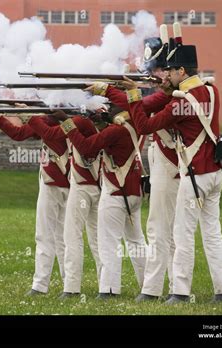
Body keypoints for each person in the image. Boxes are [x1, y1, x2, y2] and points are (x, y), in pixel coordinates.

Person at [123, 24, 222, 304]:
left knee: (182, 236)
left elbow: (144, 124)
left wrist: (135, 94)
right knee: (212, 235)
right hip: (215, 174)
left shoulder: (178, 102)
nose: (167, 75)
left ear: (181, 72)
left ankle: (180, 292)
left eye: (171, 71)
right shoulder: (212, 91)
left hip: (194, 176)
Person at [88, 24, 179, 302]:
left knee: (167, 235)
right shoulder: (165, 93)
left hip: (173, 169)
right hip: (163, 170)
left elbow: (138, 104)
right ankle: (161, 287)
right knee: (156, 235)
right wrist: (108, 91)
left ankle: (172, 289)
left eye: (156, 71)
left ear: (169, 70)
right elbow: (136, 101)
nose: (151, 76)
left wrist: (108, 91)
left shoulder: (169, 95)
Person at [53, 107, 147, 299]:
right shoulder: (134, 126)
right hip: (134, 190)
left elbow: (87, 148)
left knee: (108, 243)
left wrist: (67, 122)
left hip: (115, 191)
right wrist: (101, 123)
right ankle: (148, 288)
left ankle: (109, 290)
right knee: (136, 241)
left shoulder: (116, 130)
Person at [24, 112, 106, 298]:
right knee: (65, 237)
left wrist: (29, 117)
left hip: (74, 185)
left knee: (66, 237)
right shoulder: (66, 121)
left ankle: (65, 286)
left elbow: (50, 134)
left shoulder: (77, 122)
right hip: (80, 184)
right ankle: (103, 286)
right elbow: (19, 134)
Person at [0, 114, 69, 296]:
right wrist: (0, 118)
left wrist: (23, 116)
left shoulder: (49, 121)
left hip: (52, 181)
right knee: (64, 237)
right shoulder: (81, 120)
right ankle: (69, 284)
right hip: (74, 182)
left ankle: (40, 285)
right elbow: (18, 133)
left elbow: (19, 134)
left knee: (45, 235)